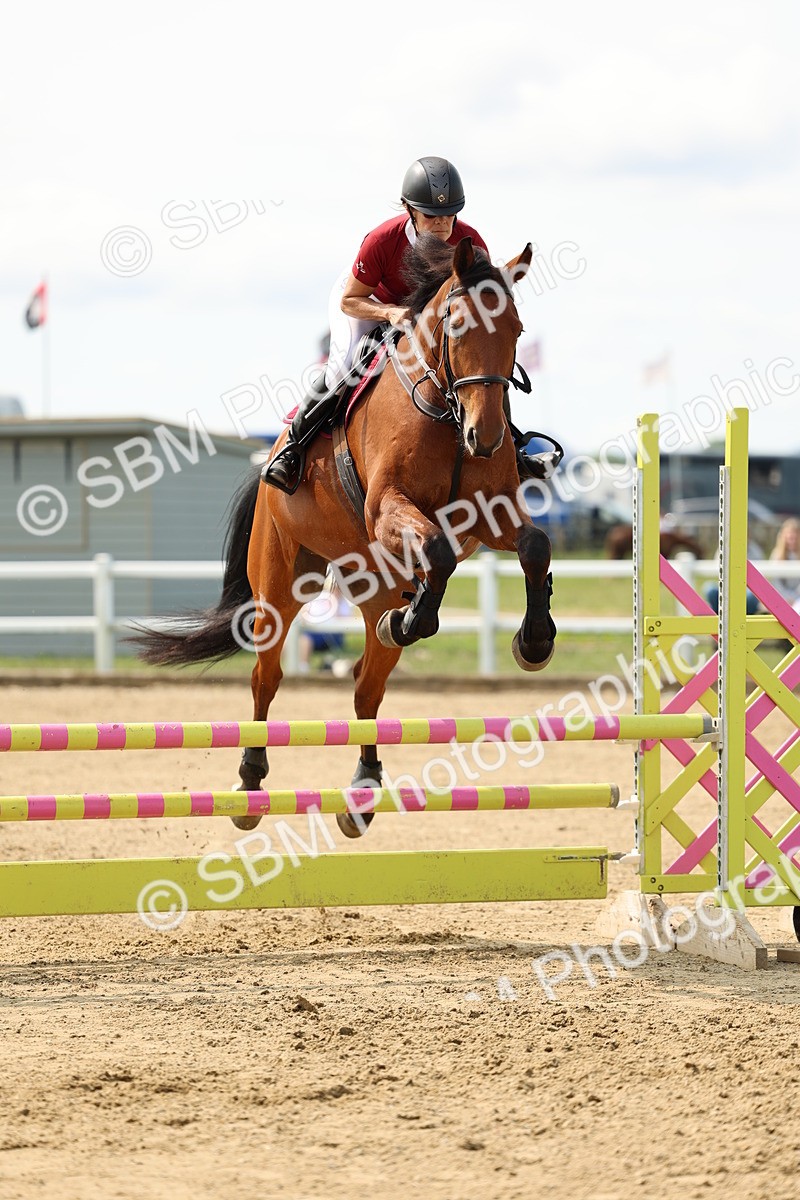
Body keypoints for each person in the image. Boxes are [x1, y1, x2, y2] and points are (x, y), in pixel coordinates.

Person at [263, 156, 529, 494]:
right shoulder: (382, 240)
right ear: (410, 210)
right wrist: (388, 313)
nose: (442, 225)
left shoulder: (470, 242)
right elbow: (350, 300)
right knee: (343, 368)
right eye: (431, 216)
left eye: (450, 215)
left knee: (484, 368)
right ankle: (292, 450)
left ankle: (514, 451)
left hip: (429, 317)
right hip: (370, 302)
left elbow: (476, 300)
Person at [769, 517, 800, 610]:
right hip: (780, 597)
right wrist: (785, 597)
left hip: (797, 598)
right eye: (790, 538)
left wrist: (794, 597)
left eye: (795, 538)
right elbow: (775, 582)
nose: (792, 541)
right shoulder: (776, 555)